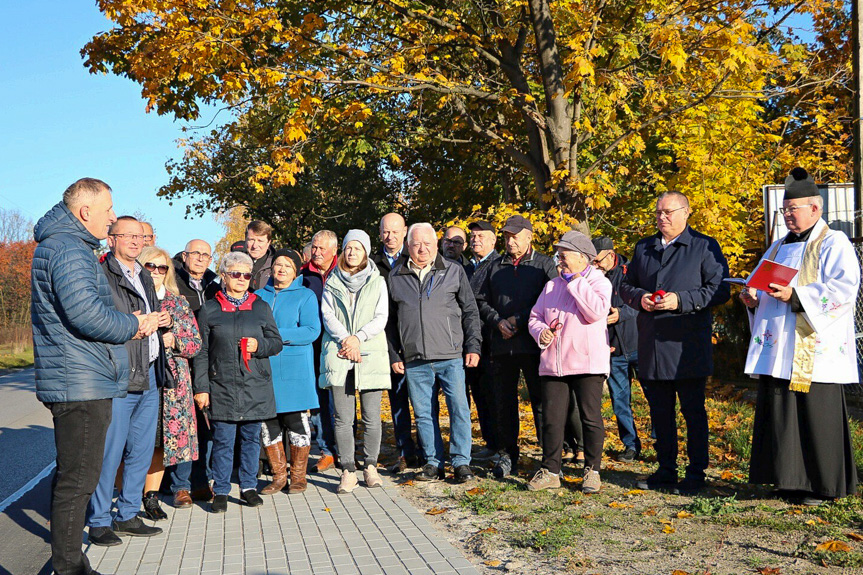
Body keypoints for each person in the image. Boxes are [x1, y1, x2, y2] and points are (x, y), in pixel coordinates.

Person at [32, 178, 153, 575]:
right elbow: (86, 314)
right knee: (78, 482)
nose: (112, 217)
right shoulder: (67, 249)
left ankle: (71, 563)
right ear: (85, 212)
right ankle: (69, 569)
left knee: (76, 478)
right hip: (79, 381)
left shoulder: (67, 245)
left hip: (80, 378)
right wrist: (132, 324)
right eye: (108, 210)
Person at [743, 168, 859, 505]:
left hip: (814, 348)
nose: (788, 216)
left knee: (814, 415)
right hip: (780, 348)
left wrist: (796, 296)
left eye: (794, 209)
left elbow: (844, 288)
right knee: (783, 413)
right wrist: (752, 297)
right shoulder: (777, 247)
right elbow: (759, 283)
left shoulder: (833, 242)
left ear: (816, 208)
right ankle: (787, 480)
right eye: (785, 210)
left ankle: (823, 485)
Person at [620, 191, 730, 495]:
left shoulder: (704, 247)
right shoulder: (644, 247)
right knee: (660, 412)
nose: (662, 218)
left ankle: (696, 472)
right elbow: (625, 286)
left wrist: (681, 300)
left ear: (686, 212)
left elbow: (719, 290)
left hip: (687, 346)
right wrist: (639, 298)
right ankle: (666, 468)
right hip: (652, 344)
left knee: (694, 413)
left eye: (668, 212)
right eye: (658, 213)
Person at [87, 216, 172, 546]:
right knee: (111, 451)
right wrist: (132, 323)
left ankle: (126, 514)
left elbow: (148, 318)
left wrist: (160, 319)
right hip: (119, 373)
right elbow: (97, 320)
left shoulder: (145, 277)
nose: (136, 242)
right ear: (112, 239)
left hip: (149, 371)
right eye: (128, 236)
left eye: (140, 236)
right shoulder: (100, 274)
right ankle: (98, 521)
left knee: (141, 449)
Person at [388, 223, 481, 483]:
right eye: (416, 244)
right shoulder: (395, 277)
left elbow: (471, 311)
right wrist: (395, 355)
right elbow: (389, 322)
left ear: (437, 244)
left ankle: (461, 462)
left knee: (459, 409)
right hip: (414, 359)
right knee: (424, 414)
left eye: (427, 243)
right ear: (408, 246)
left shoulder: (454, 271)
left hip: (450, 355)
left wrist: (473, 346)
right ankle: (433, 462)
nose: (422, 249)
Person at [193, 251, 283, 512]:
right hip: (221, 386)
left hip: (255, 384)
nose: (242, 278)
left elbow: (276, 343)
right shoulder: (210, 309)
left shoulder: (260, 306)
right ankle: (221, 489)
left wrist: (260, 346)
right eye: (236, 273)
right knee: (223, 440)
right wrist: (202, 388)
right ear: (224, 276)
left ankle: (248, 487)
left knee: (251, 439)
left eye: (246, 274)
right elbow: (201, 352)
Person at [527, 231, 612, 492]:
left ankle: (592, 470)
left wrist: (576, 280)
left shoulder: (599, 282)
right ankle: (551, 471)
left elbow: (596, 312)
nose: (559, 260)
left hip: (587, 363)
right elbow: (535, 316)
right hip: (554, 362)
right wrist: (540, 331)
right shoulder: (552, 285)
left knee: (590, 418)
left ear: (581, 257)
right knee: (552, 419)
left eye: (564, 255)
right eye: (558, 255)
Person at [476, 215, 557, 478]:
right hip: (501, 345)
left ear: (529, 236)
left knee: (542, 402)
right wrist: (497, 321)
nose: (510, 241)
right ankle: (507, 455)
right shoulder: (496, 265)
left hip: (535, 345)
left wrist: (520, 320)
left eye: (515, 236)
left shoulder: (544, 265)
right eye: (507, 236)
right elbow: (480, 299)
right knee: (503, 403)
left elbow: (551, 300)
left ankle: (549, 459)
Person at [320, 230, 391, 493]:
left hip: (369, 352)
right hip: (339, 353)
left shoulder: (377, 281)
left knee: (372, 416)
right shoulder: (332, 280)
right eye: (348, 248)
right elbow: (327, 314)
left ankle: (370, 465)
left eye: (358, 248)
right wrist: (346, 340)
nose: (352, 253)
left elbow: (380, 317)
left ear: (366, 252)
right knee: (342, 417)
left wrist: (358, 338)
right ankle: (348, 469)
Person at [138, 246, 202, 518]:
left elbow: (195, 343)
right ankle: (133, 494)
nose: (156, 272)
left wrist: (174, 340)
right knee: (139, 440)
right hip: (139, 377)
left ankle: (172, 490)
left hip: (173, 382)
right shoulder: (131, 300)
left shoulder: (178, 302)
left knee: (170, 438)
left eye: (162, 267)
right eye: (150, 266)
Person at [257, 249, 321, 495]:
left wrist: (276, 336)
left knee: (296, 422)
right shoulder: (259, 296)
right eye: (277, 264)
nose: (281, 269)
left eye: (287, 266)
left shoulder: (305, 295)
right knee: (269, 424)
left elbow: (311, 331)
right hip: (265, 369)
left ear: (296, 271)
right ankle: (278, 476)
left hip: (295, 370)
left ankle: (298, 476)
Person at [372, 213, 424, 473]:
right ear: (380, 233)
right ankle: (406, 452)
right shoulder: (372, 264)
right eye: (385, 232)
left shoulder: (415, 257)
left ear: (405, 231)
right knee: (398, 401)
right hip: (387, 340)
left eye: (395, 231)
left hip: (418, 339)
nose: (390, 236)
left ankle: (428, 450)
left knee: (424, 401)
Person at [591, 236, 642, 462]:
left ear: (611, 255)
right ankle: (630, 444)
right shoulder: (592, 277)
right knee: (620, 400)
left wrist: (622, 314)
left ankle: (662, 443)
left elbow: (644, 304)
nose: (595, 265)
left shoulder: (634, 271)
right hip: (613, 350)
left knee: (655, 397)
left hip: (640, 344)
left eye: (598, 260)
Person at [300, 230, 340, 472]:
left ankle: (347, 448)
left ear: (334, 251)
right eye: (314, 247)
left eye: (322, 248)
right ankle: (326, 450)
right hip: (313, 346)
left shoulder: (345, 271)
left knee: (343, 399)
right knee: (318, 399)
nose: (316, 252)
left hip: (339, 344)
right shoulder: (303, 275)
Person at [464, 220, 501, 460]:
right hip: (471, 341)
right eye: (473, 236)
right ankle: (490, 442)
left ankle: (500, 445)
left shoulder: (498, 265)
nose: (475, 240)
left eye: (481, 236)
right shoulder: (467, 268)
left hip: (493, 341)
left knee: (495, 396)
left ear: (493, 240)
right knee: (480, 395)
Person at [173, 239, 219, 316]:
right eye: (195, 253)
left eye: (205, 255)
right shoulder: (173, 285)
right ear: (184, 256)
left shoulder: (216, 289)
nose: (200, 259)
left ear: (209, 261)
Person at [246, 220, 277, 291]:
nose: (255, 245)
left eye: (260, 241)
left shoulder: (276, 266)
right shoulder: (235, 264)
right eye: (251, 240)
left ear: (268, 242)